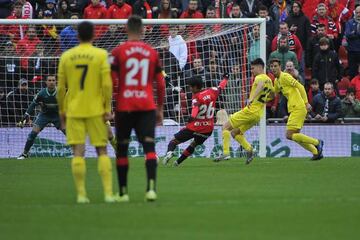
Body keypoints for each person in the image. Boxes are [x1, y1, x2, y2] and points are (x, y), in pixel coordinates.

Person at [57, 21, 116, 204]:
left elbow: (60, 89)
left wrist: (62, 111)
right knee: (102, 150)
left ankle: (82, 195)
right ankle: (108, 194)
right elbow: (107, 85)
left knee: (78, 151)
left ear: (77, 36)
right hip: (96, 110)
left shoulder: (66, 56)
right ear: (93, 35)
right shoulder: (101, 55)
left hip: (74, 109)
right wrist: (108, 108)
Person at [110, 15, 165, 202]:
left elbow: (110, 81)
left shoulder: (117, 52)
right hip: (146, 105)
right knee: (149, 147)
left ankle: (123, 193)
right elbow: (160, 83)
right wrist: (160, 108)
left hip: (124, 106)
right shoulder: (151, 52)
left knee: (122, 149)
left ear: (126, 29)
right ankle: (151, 190)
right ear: (142, 30)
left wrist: (108, 105)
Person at [215, 58, 274, 164]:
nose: (252, 71)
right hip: (257, 115)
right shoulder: (269, 80)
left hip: (250, 111)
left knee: (225, 127)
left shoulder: (259, 77)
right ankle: (249, 149)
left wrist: (251, 98)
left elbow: (260, 85)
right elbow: (273, 95)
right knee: (235, 132)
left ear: (260, 67)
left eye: (253, 68)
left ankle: (225, 152)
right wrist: (263, 100)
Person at [163, 74, 229, 166]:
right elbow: (221, 86)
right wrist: (226, 78)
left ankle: (169, 153)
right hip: (208, 129)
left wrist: (191, 117)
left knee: (174, 141)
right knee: (193, 144)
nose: (189, 88)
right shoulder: (212, 91)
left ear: (195, 87)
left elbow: (195, 109)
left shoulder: (196, 97)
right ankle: (177, 162)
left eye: (190, 87)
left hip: (195, 127)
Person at [269, 58, 324, 160]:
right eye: (271, 66)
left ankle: (317, 142)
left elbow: (300, 86)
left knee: (289, 135)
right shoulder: (276, 81)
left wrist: (306, 103)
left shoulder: (285, 76)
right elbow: (274, 94)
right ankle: (316, 152)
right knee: (295, 135)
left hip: (298, 107)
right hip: (294, 108)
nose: (273, 68)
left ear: (280, 67)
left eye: (275, 66)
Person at [17, 75, 65, 159]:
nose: (51, 82)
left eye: (53, 80)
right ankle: (25, 154)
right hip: (44, 115)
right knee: (32, 134)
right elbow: (33, 104)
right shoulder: (42, 93)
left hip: (57, 115)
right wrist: (26, 115)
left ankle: (78, 154)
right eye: (49, 80)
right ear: (46, 82)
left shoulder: (61, 92)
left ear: (56, 82)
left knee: (69, 133)